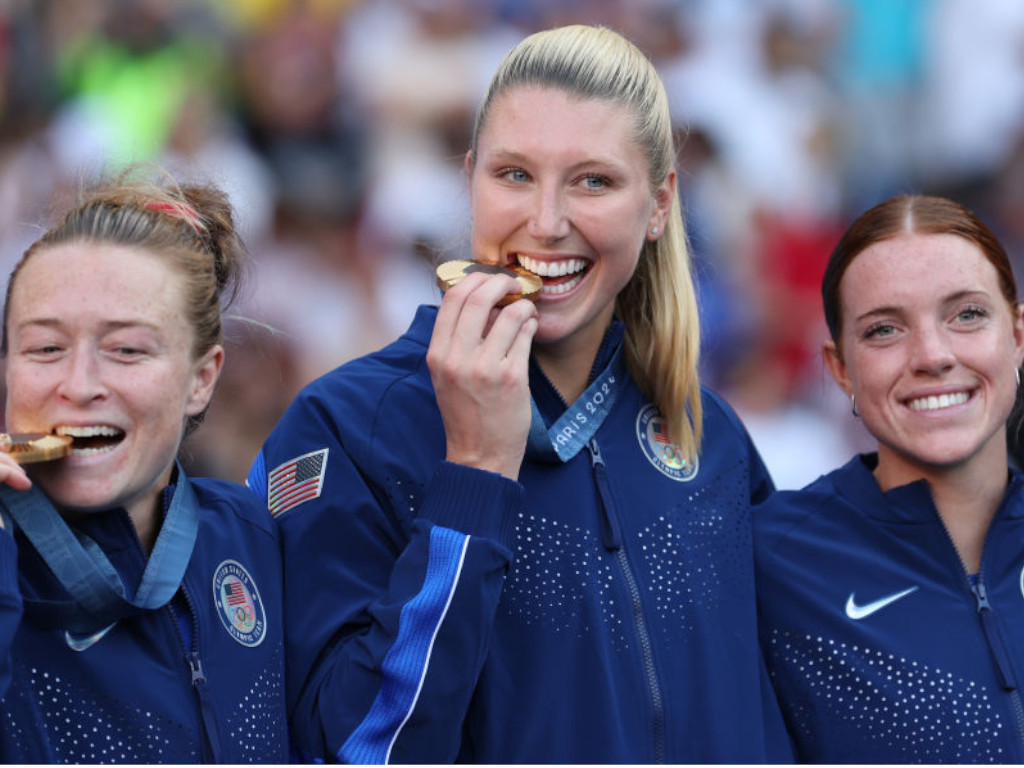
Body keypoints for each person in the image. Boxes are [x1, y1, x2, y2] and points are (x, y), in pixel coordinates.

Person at [247, 24, 789, 764]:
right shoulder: (347, 428)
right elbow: (350, 751)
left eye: (593, 180)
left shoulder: (708, 437)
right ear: (470, 179)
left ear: (660, 204)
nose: (546, 222)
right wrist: (473, 475)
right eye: (514, 175)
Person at [0, 172, 288, 763]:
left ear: (201, 379)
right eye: (46, 348)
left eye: (127, 349)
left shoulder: (259, 539)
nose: (79, 385)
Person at [754, 194, 1024, 763]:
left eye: (967, 314)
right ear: (840, 368)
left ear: (1018, 335)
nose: (932, 355)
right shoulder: (769, 562)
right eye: (884, 330)